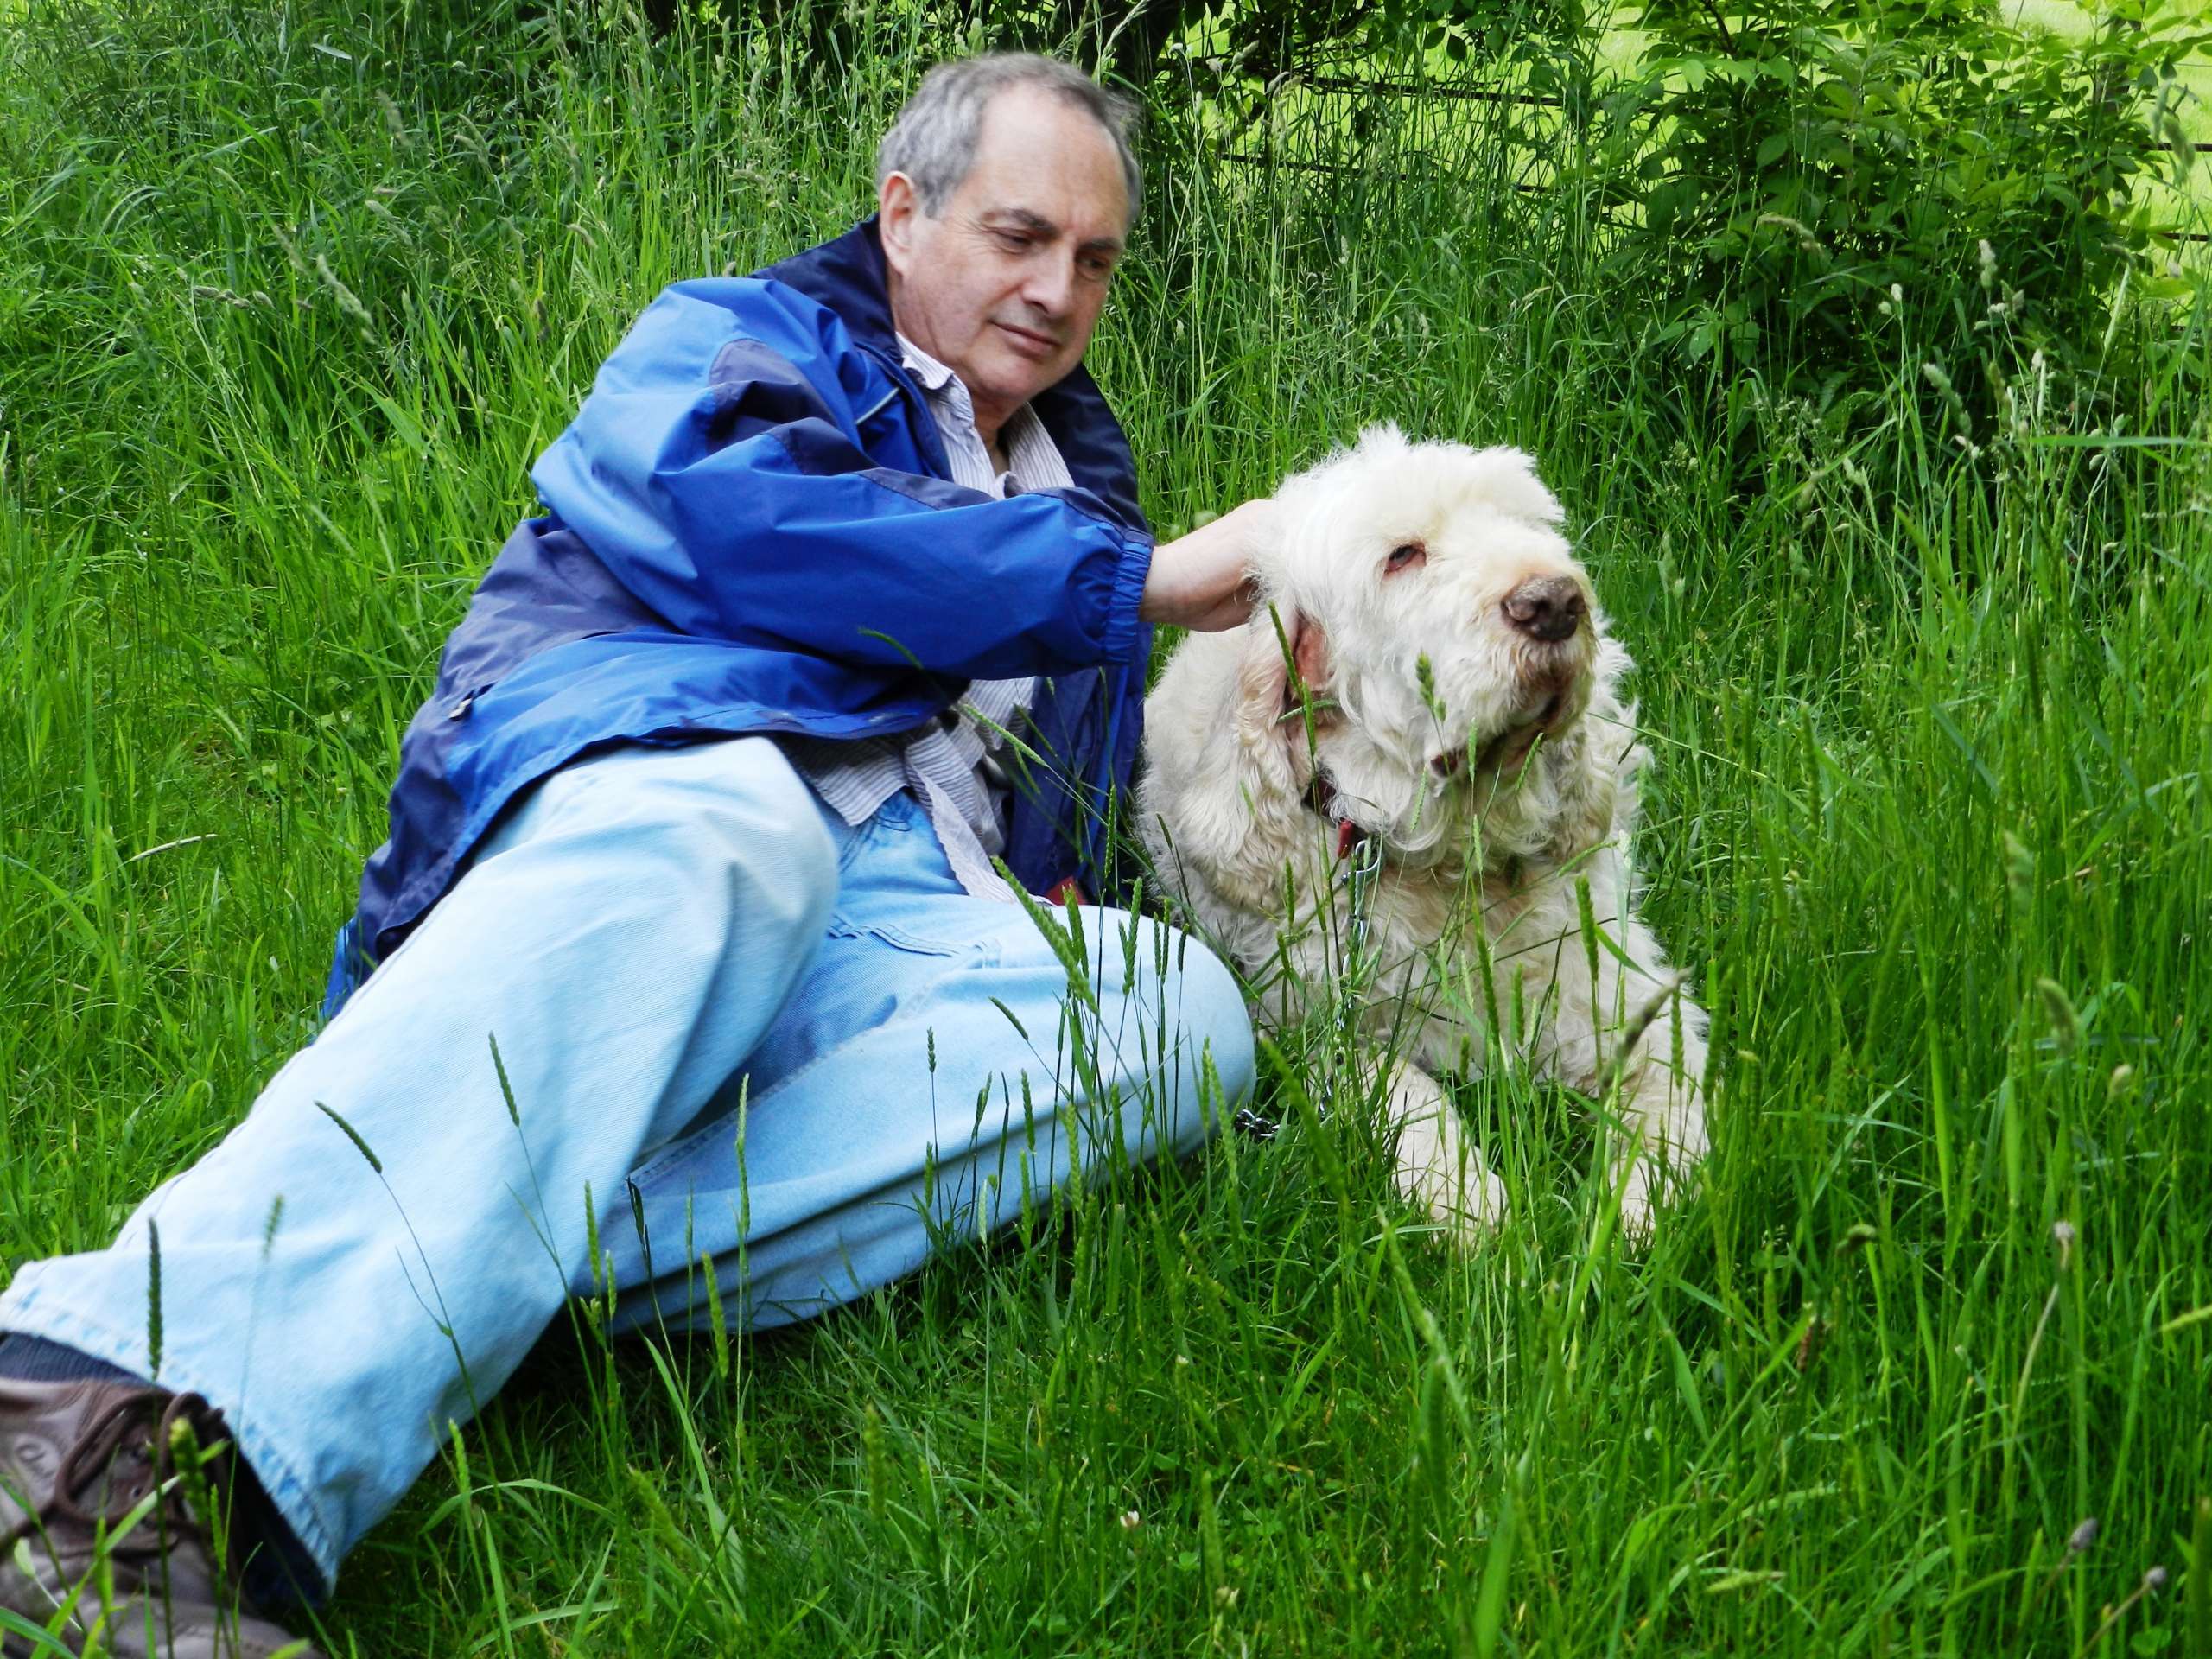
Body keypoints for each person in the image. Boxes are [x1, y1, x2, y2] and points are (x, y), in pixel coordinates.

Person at [0, 54, 1270, 1656]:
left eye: (1093, 260)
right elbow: (762, 534)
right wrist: (1131, 582)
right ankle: (88, 1430)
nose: (1057, 290)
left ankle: (480, 1241)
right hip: (669, 807)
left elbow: (1059, 805)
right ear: (902, 212)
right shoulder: (736, 340)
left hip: (918, 905)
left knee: (1171, 1011)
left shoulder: (1084, 481)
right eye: (1019, 236)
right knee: (750, 835)